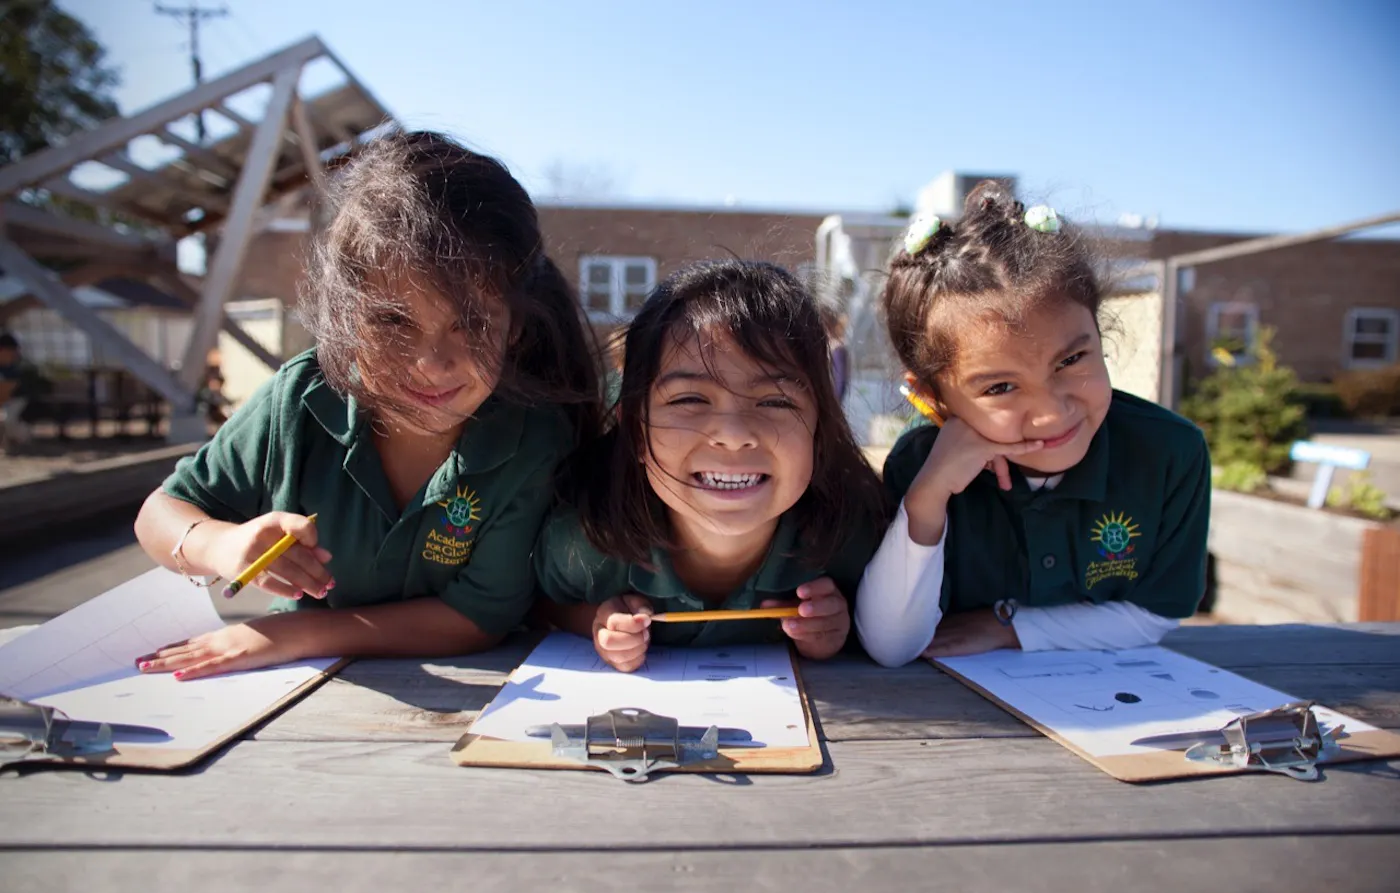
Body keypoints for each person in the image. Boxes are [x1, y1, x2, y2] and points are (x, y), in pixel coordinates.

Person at [133, 130, 600, 680]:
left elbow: (477, 617)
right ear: (346, 318)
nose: (432, 361)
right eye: (394, 321)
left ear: (515, 328)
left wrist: (300, 632)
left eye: (471, 322)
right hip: (290, 695)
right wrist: (220, 543)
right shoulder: (300, 399)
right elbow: (161, 513)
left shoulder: (532, 440)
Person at [855, 182, 1210, 666]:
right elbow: (891, 645)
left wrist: (1009, 627)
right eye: (1000, 387)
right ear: (930, 397)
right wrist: (926, 500)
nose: (1051, 412)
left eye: (1072, 360)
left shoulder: (1170, 452)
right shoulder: (918, 467)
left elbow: (1156, 614)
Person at [535, 260, 888, 671]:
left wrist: (837, 627)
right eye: (689, 400)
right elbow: (541, 604)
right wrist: (596, 621)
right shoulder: (587, 540)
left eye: (775, 401)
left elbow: (889, 624)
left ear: (820, 430)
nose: (734, 434)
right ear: (635, 430)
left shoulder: (851, 538)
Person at [0, 333, 33, 451]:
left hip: (17, 399)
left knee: (8, 419)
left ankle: (24, 437)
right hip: (5, 400)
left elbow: (8, 389)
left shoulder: (14, 369)